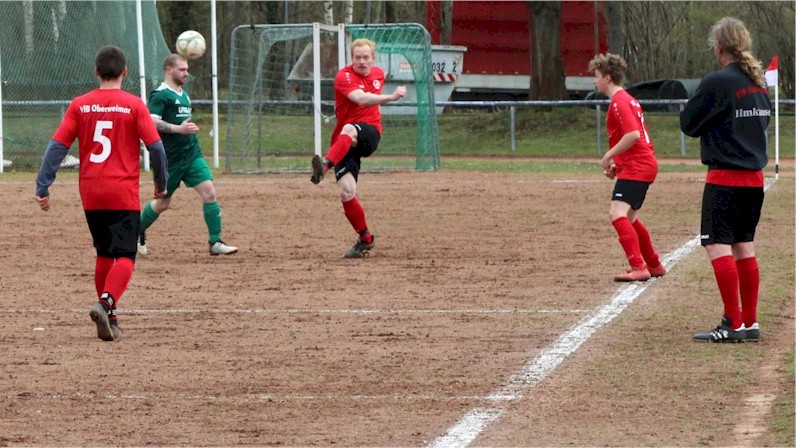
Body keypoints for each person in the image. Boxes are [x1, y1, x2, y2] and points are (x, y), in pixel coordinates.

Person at [34, 45, 168, 342]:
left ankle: (112, 318)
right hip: (122, 190)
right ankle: (105, 304)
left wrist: (43, 185)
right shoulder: (134, 105)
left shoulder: (79, 105)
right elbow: (156, 148)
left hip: (91, 191)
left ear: (96, 72)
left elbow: (57, 147)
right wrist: (161, 184)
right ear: (125, 72)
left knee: (105, 252)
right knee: (127, 255)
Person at [681, 17, 771, 343]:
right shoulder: (758, 83)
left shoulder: (718, 81)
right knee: (743, 245)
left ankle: (732, 322)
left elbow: (688, 123)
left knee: (717, 244)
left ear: (718, 47)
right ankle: (750, 322)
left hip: (725, 177)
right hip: (754, 179)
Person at [309, 38, 406, 258]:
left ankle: (324, 166)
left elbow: (367, 101)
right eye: (357, 57)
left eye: (365, 57)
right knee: (347, 192)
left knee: (350, 129)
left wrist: (389, 98)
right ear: (351, 58)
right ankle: (365, 239)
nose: (361, 61)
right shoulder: (343, 76)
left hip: (370, 133)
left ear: (373, 58)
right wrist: (390, 97)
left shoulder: (378, 74)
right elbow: (360, 98)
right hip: (344, 142)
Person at [138, 53, 237, 256]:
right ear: (168, 70)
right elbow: (151, 121)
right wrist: (179, 129)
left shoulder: (184, 94)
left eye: (187, 70)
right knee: (163, 203)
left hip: (191, 154)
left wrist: (187, 129)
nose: (186, 73)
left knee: (209, 192)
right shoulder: (160, 95)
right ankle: (136, 231)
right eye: (182, 69)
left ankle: (215, 242)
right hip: (169, 159)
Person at [588, 53, 667, 282]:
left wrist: (608, 156)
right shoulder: (627, 99)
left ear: (608, 78)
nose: (594, 81)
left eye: (596, 76)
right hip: (641, 164)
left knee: (616, 213)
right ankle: (654, 264)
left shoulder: (619, 101)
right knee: (630, 218)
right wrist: (619, 164)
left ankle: (638, 266)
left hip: (639, 166)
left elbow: (633, 135)